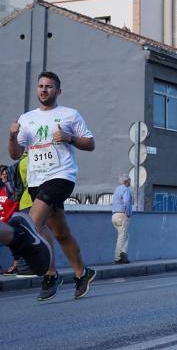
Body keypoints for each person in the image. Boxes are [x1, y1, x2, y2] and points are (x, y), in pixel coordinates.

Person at [8, 71, 96, 301]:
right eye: (41, 86)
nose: (44, 90)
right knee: (60, 232)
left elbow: (90, 143)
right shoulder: (26, 118)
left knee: (32, 222)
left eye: (49, 86)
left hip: (61, 175)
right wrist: (11, 136)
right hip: (36, 180)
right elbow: (16, 154)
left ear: (58, 91)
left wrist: (69, 138)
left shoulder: (69, 115)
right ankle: (82, 273)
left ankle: (44, 271)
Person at [111, 175, 132, 264]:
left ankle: (123, 255)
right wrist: (127, 213)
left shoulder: (117, 189)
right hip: (122, 215)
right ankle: (118, 258)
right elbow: (127, 202)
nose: (130, 182)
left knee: (126, 236)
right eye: (130, 181)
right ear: (126, 181)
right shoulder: (125, 189)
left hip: (114, 216)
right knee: (122, 237)